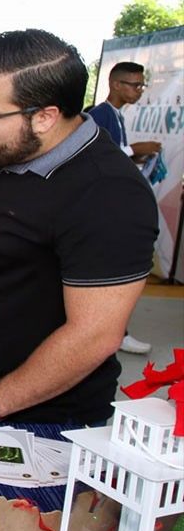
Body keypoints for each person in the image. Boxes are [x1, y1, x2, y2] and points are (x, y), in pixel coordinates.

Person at [0, 29, 158, 427]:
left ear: (45, 117)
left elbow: (94, 336)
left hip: (51, 421)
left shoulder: (108, 193)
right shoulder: (6, 155)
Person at [88, 61, 160, 355]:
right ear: (115, 84)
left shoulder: (115, 116)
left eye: (142, 85)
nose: (139, 90)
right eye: (134, 84)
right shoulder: (99, 115)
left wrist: (135, 158)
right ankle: (113, 332)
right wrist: (135, 150)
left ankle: (114, 331)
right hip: (99, 209)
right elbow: (96, 153)